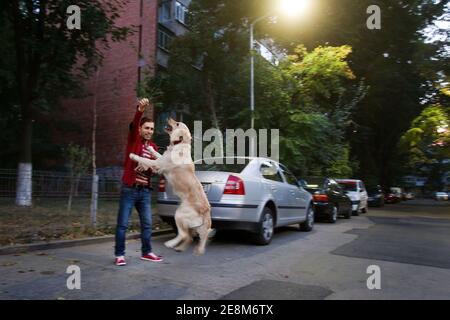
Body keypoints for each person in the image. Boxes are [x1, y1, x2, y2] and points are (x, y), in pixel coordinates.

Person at [114, 98, 163, 266]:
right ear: (140, 129)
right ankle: (119, 255)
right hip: (129, 189)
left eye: (152, 129)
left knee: (147, 224)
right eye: (146, 128)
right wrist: (139, 110)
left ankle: (147, 252)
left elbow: (156, 169)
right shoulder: (133, 141)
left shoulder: (154, 148)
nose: (149, 131)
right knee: (122, 224)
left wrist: (148, 166)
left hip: (144, 191)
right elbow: (134, 125)